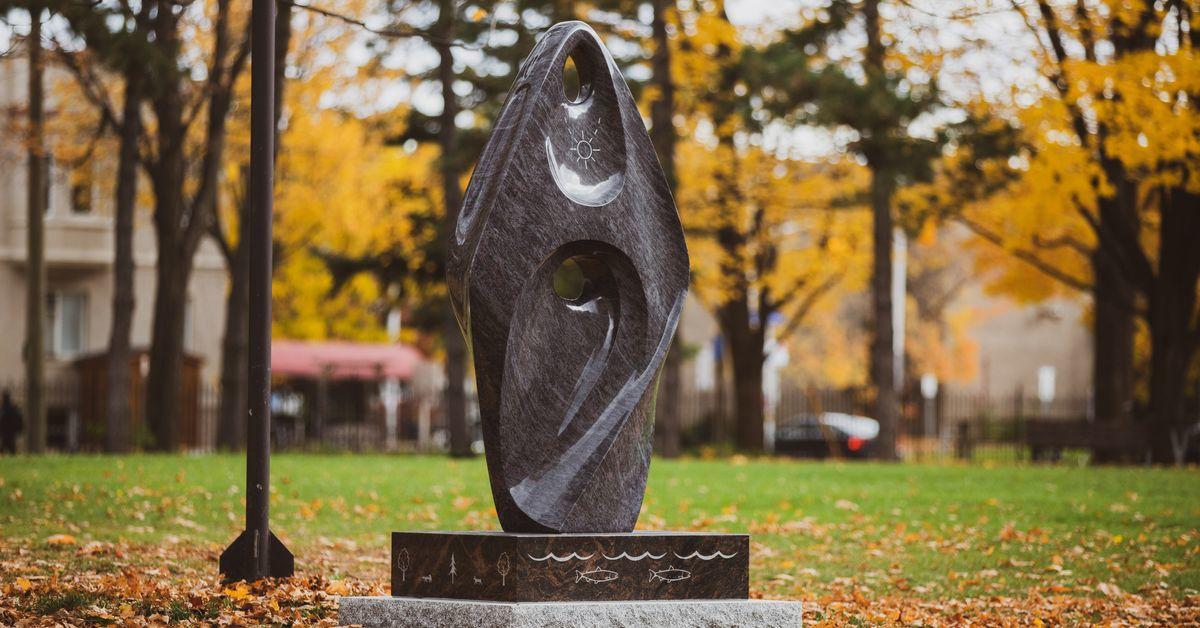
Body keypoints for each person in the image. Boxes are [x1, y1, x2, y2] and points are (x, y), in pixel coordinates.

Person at [0, 390, 22, 454]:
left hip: (6, 432)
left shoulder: (3, 409)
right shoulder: (13, 408)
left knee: (6, 447)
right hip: (11, 432)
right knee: (11, 448)